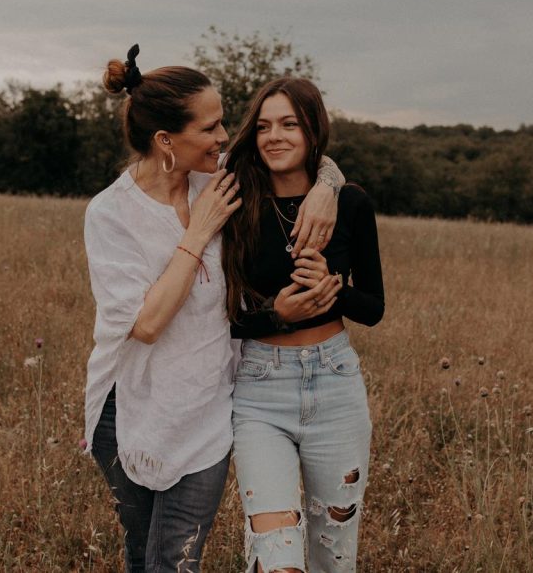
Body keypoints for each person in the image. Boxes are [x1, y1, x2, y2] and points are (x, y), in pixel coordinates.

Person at [83, 45, 344, 573]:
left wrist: (326, 187)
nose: (225, 137)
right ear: (165, 141)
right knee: (143, 557)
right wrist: (200, 230)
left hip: (208, 405)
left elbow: (299, 156)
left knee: (178, 560)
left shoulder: (222, 175)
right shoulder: (110, 214)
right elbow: (148, 324)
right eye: (210, 127)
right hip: (129, 407)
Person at [222, 78, 385, 573]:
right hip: (259, 391)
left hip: (335, 384)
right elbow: (223, 318)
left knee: (334, 553)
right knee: (277, 560)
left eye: (289, 124)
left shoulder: (350, 202)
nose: (274, 136)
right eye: (264, 126)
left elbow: (373, 307)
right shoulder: (235, 200)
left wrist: (334, 289)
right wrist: (279, 315)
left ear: (313, 129)